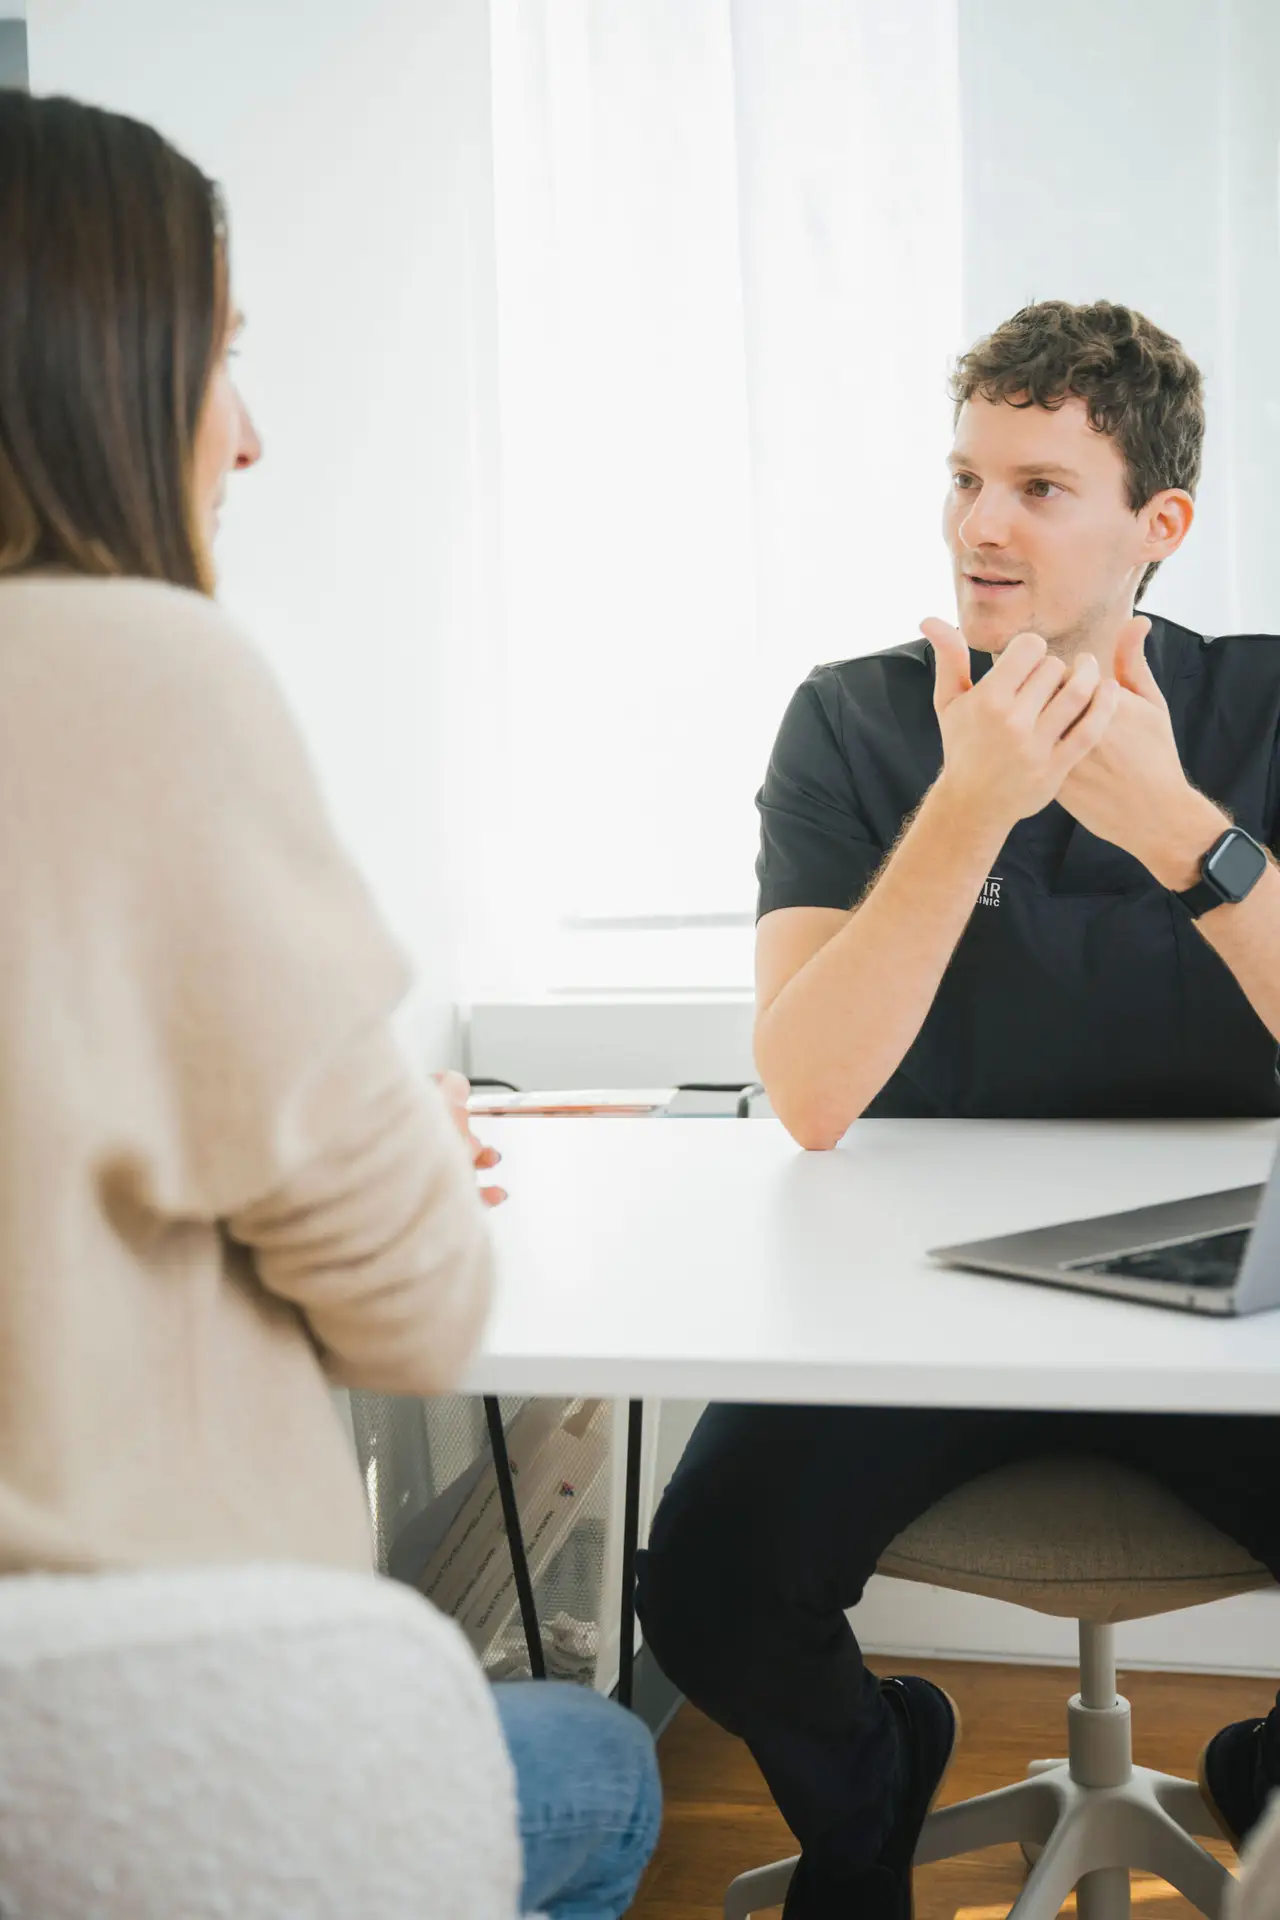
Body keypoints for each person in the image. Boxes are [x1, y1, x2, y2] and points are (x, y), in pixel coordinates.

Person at [0, 89, 658, 1919]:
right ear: (85, 374)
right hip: (119, 1744)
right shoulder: (144, 671)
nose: (256, 436)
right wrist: (386, 1142)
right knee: (599, 1766)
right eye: (220, 359)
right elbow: (422, 1306)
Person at [636, 299, 1280, 1920]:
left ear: (1160, 525)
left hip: (1224, 1306)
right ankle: (872, 1791)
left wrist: (1187, 834)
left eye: (1042, 487)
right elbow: (809, 1087)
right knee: (707, 1584)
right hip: (908, 1304)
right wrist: (971, 800)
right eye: (964, 476)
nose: (980, 526)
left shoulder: (1265, 714)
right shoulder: (852, 723)